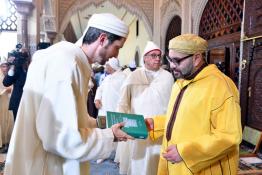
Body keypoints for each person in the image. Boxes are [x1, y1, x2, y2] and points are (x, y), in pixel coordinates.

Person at [4, 13, 133, 175]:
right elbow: (60, 138)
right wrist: (110, 135)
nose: (116, 55)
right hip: (46, 165)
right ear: (102, 39)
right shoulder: (67, 64)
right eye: (117, 48)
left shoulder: (67, 57)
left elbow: (74, 118)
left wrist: (103, 123)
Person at [146, 34, 242, 175]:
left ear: (196, 58)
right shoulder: (180, 82)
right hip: (175, 165)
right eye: (169, 59)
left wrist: (185, 152)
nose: (172, 65)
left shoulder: (221, 86)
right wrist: (156, 124)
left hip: (204, 168)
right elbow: (182, 119)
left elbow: (229, 137)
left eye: (177, 60)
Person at [115, 41, 174, 175]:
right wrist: (120, 122)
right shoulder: (133, 76)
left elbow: (173, 103)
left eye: (159, 56)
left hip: (160, 129)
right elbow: (123, 103)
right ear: (145, 58)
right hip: (139, 128)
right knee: (139, 165)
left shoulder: (168, 77)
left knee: (158, 163)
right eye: (153, 55)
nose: (158, 58)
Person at [2, 47, 29, 120]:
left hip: (27, 102)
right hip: (18, 103)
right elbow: (6, 83)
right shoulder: (16, 69)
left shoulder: (28, 69)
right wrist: (12, 68)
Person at [0, 59, 14, 153]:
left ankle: (9, 142)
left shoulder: (11, 75)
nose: (4, 68)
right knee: (2, 121)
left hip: (9, 100)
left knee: (9, 121)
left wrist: (8, 89)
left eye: (5, 66)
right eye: (2, 66)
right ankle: (3, 142)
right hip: (1, 101)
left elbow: (13, 87)